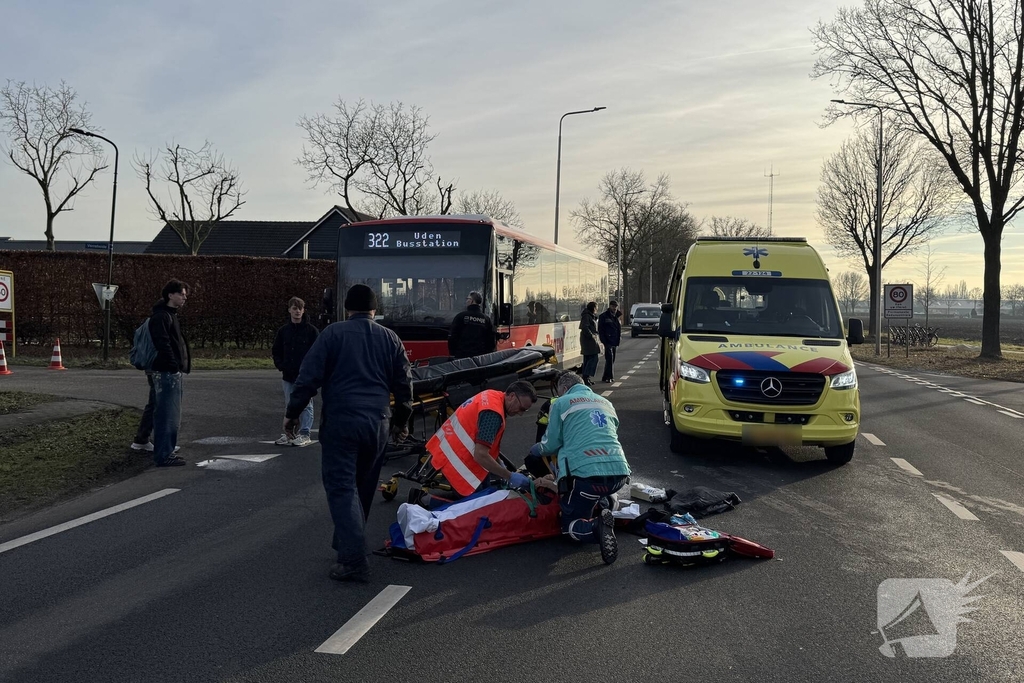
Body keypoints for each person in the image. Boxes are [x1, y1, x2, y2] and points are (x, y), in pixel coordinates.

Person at [284, 284, 413, 583]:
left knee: (341, 487)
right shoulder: (390, 338)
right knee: (364, 486)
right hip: (378, 422)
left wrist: (292, 413)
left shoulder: (332, 334)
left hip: (343, 420)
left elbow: (308, 377)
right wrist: (401, 422)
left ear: (347, 309)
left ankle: (354, 560)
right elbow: (404, 386)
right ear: (374, 310)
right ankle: (346, 542)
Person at [531, 371, 631, 564]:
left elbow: (551, 444)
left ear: (565, 388)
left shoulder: (561, 403)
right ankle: (606, 504)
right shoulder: (606, 403)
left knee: (569, 526)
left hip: (586, 477)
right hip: (618, 474)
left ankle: (595, 527)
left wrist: (538, 449)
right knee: (596, 494)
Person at [426, 381, 538, 497]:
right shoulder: (493, 414)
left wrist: (499, 464)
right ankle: (428, 501)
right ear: (512, 396)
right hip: (459, 462)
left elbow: (482, 440)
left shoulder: (491, 395)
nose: (520, 413)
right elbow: (480, 455)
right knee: (477, 506)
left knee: (486, 491)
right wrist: (508, 475)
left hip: (447, 449)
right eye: (521, 408)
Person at [149, 279, 191, 467]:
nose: (184, 297)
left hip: (169, 370)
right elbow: (164, 344)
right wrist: (174, 366)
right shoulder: (162, 317)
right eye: (181, 294)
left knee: (165, 413)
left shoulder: (168, 315)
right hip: (167, 372)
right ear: (170, 295)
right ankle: (164, 454)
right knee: (168, 415)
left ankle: (165, 450)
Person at [272, 296, 320, 447]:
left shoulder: (312, 331)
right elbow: (276, 350)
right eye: (294, 308)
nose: (297, 311)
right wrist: (281, 365)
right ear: (289, 310)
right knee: (289, 404)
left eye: (300, 308)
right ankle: (289, 434)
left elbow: (318, 352)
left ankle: (305, 433)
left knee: (306, 404)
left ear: (304, 310)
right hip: (288, 375)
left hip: (305, 376)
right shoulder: (283, 331)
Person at [448, 291, 497, 358]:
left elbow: (453, 336)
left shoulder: (461, 316)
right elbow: (491, 339)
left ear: (472, 301)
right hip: (480, 357)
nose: (466, 301)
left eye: (468, 299)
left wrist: (453, 352)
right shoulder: (486, 319)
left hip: (462, 356)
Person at [598, 301, 621, 383]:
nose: (614, 308)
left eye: (616, 307)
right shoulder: (604, 316)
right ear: (610, 306)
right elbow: (601, 330)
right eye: (613, 306)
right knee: (609, 359)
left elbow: (618, 329)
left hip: (614, 341)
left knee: (612, 359)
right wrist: (604, 341)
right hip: (607, 341)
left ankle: (605, 376)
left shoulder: (617, 316)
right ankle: (609, 377)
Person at [579, 302, 600, 386]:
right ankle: (586, 377)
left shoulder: (589, 315)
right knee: (593, 357)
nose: (597, 309)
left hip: (588, 339)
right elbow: (585, 327)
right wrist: (591, 335)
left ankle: (586, 378)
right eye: (596, 307)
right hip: (588, 340)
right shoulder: (587, 316)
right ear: (594, 308)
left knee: (588, 359)